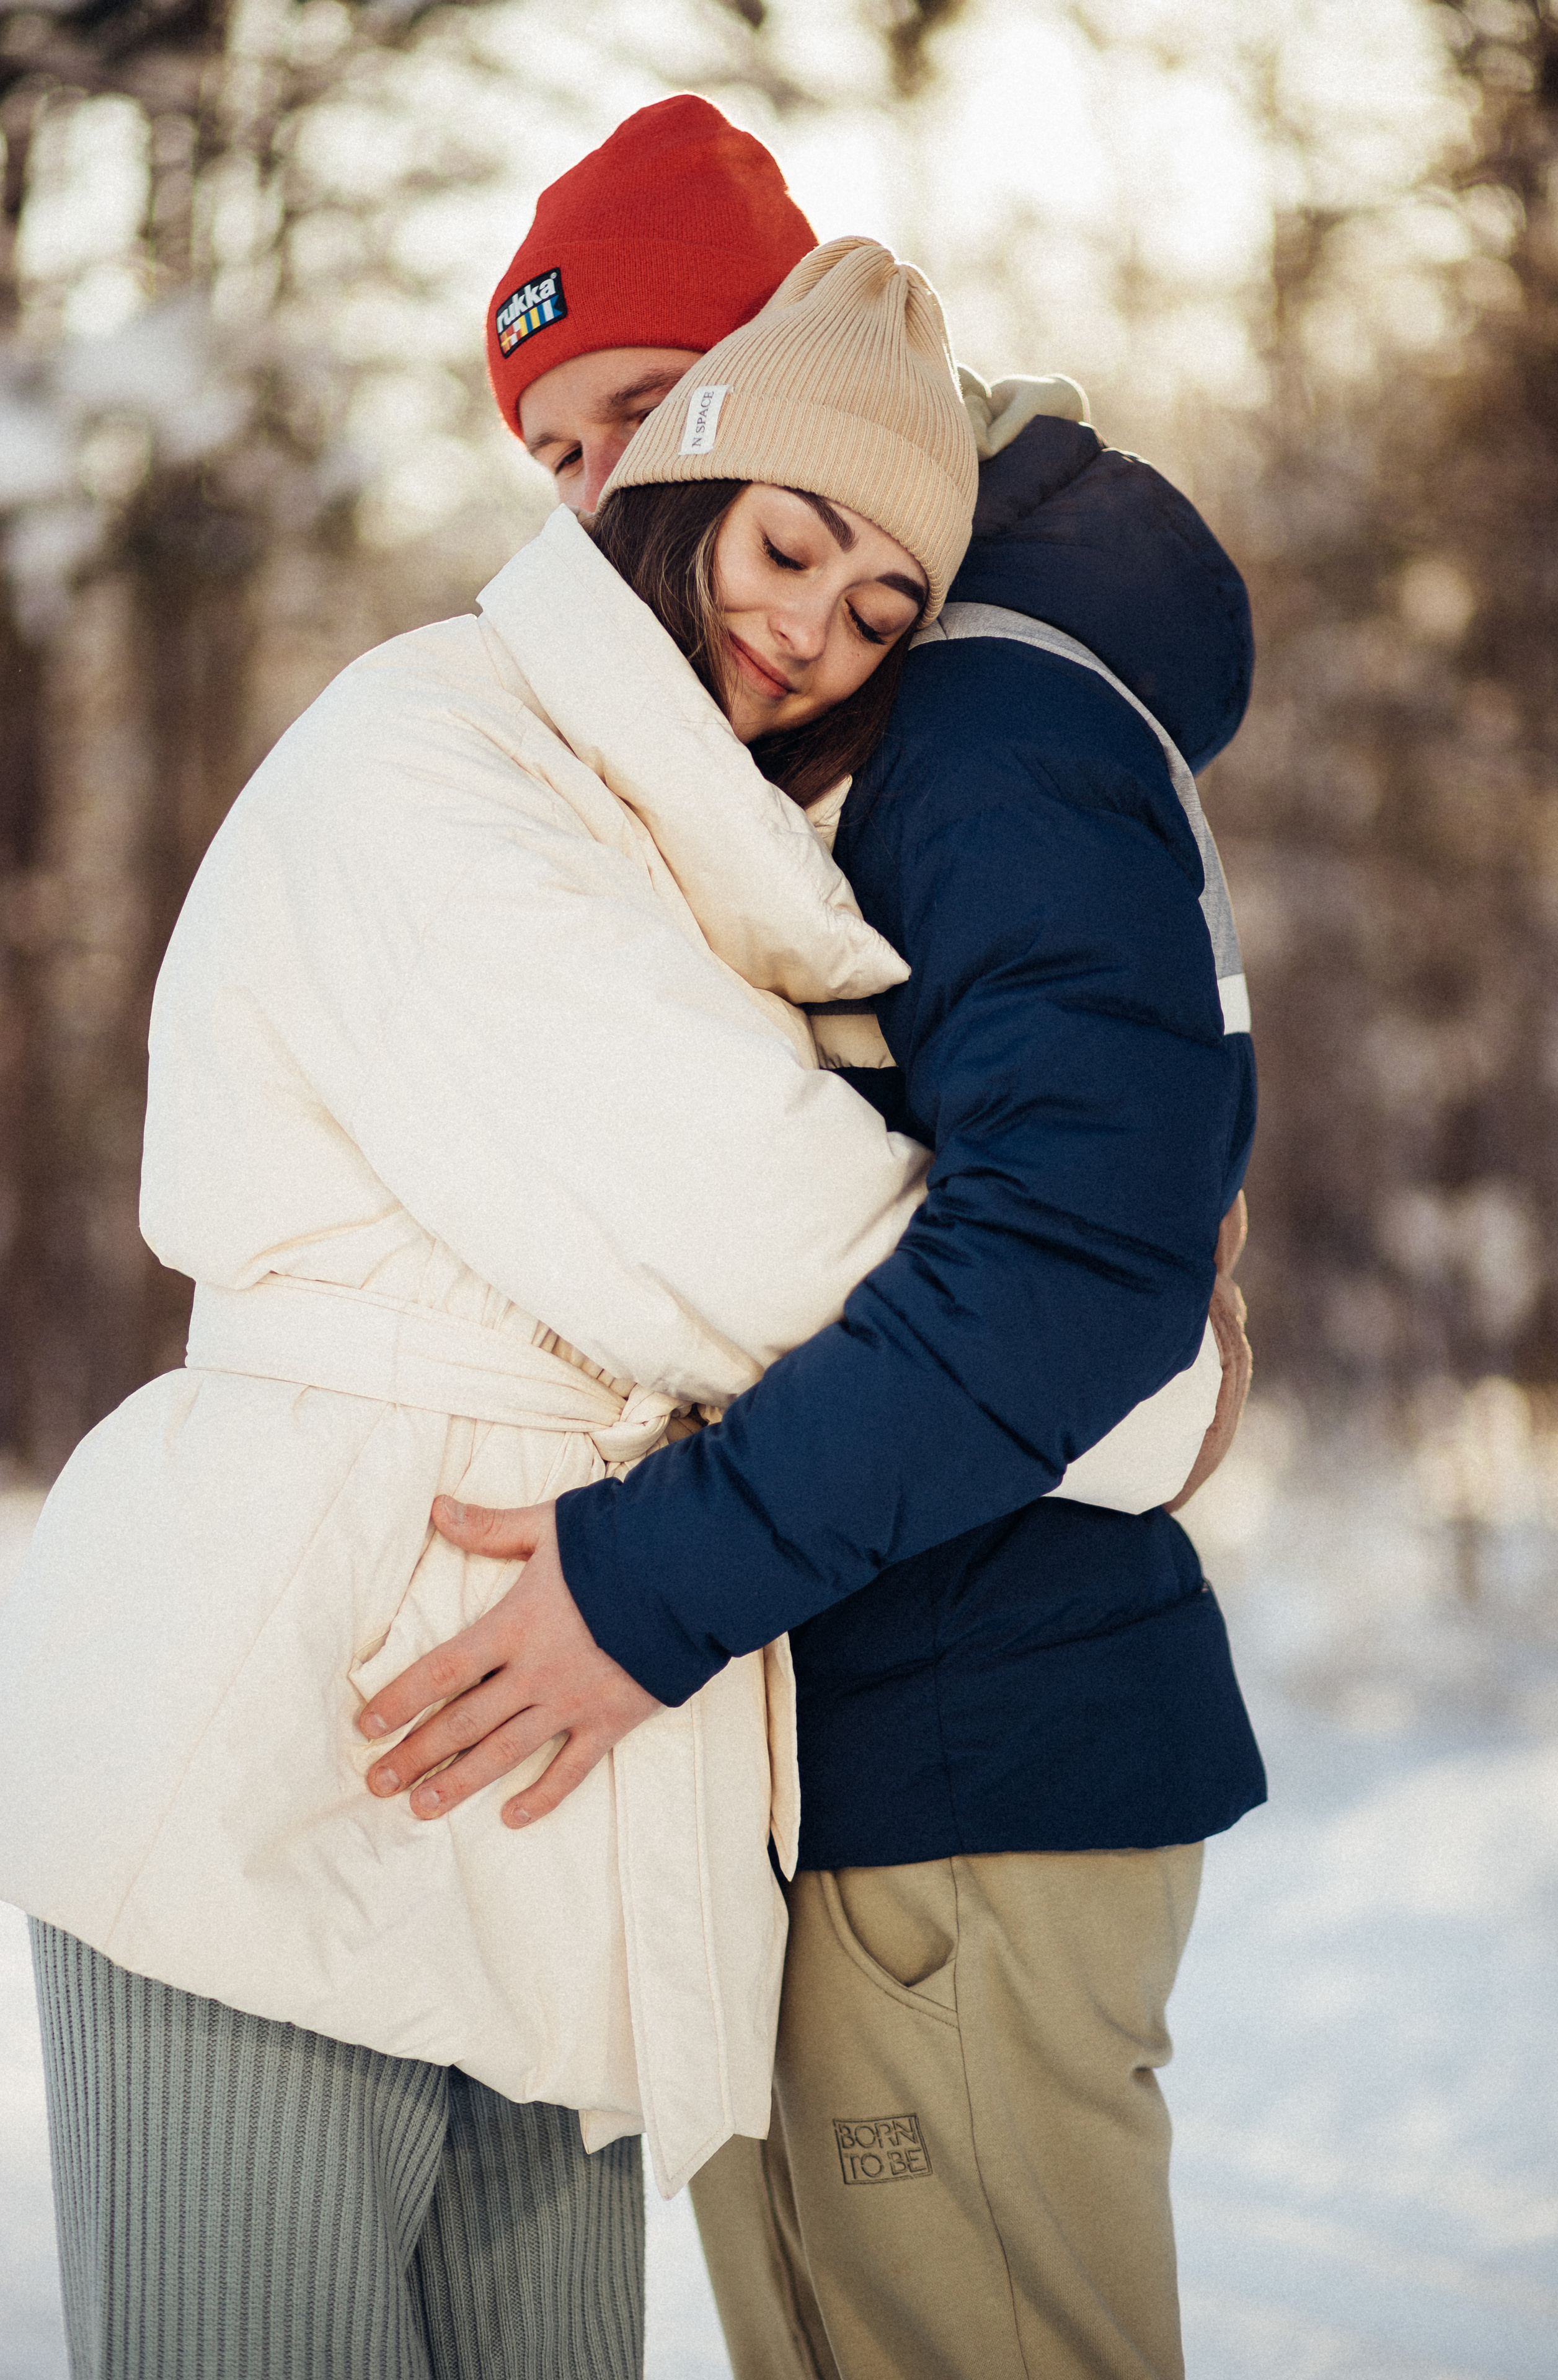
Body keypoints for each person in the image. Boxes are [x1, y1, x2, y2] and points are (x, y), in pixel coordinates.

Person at [0, 235, 983, 2380]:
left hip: (562, 1776)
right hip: (286, 1721)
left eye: (878, 603)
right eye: (782, 545)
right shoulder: (433, 756)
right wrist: (1143, 1352)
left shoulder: (720, 841)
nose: (808, 626)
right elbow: (781, 1249)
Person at [362, 119, 1264, 2380]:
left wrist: (647, 1582)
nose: (588, 494)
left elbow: (1077, 1261)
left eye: (629, 416)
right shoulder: (820, 739)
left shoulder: (985, 719)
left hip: (971, 1758)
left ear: (754, 390)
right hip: (847, 1761)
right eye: (552, 452)